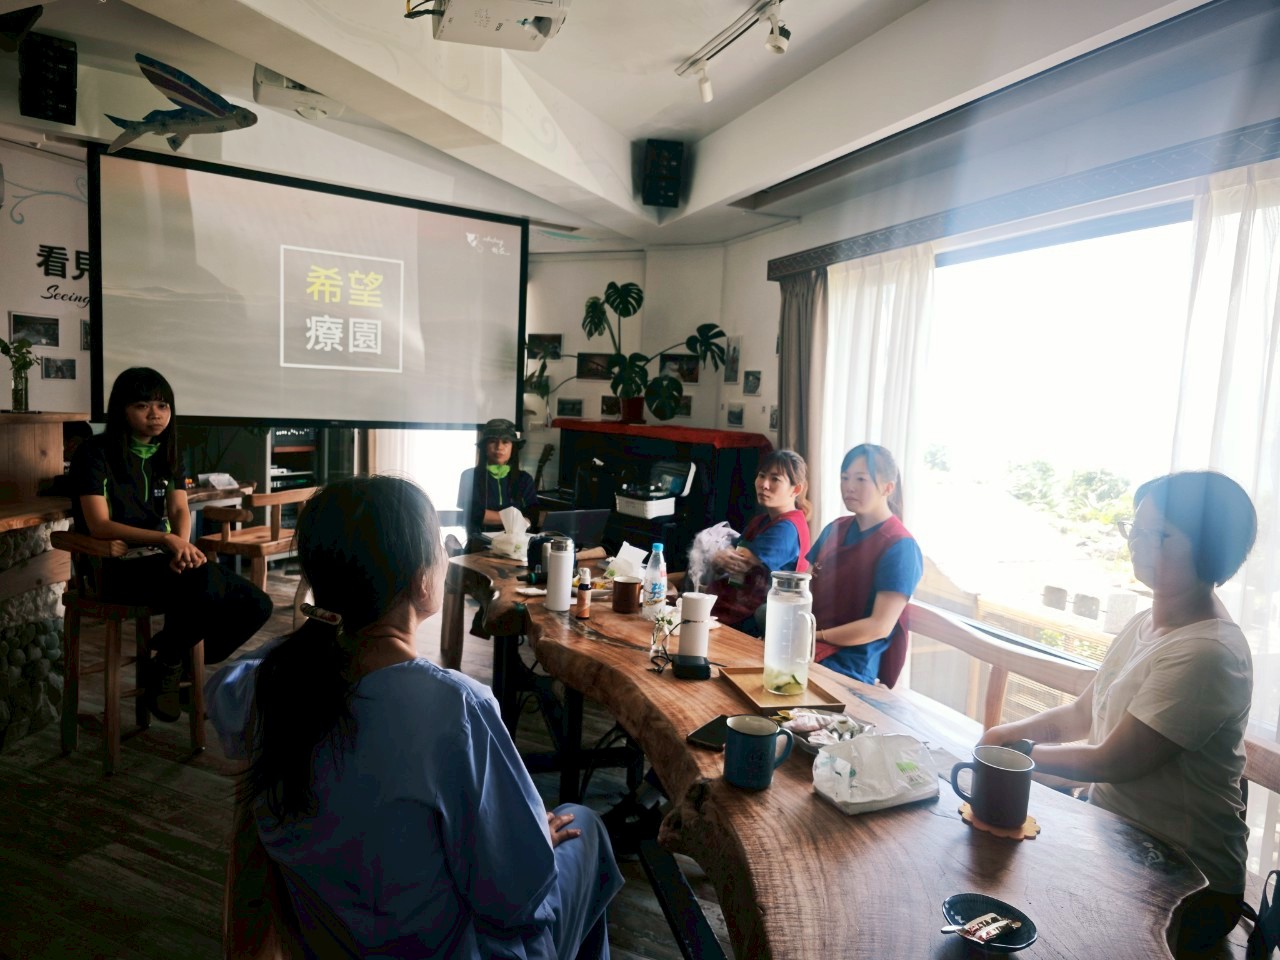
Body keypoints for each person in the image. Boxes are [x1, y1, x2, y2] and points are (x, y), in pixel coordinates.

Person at [206, 475, 623, 959]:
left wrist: (318, 621)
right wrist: (534, 844)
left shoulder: (268, 684)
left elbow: (230, 683)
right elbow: (516, 900)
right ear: (423, 580)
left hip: (334, 942)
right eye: (441, 546)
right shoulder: (456, 708)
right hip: (453, 950)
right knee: (584, 828)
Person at [979, 471, 1256, 955]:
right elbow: (1082, 714)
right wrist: (1005, 733)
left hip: (1189, 878)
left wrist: (1017, 755)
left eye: (1159, 534)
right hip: (1118, 842)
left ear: (1210, 549)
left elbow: (1114, 760)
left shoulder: (1209, 651)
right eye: (1135, 528)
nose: (1137, 542)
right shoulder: (1146, 622)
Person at [69, 367, 272, 721]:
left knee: (257, 604)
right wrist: (167, 539)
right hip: (115, 567)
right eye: (142, 406)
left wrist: (180, 545)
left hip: (162, 561)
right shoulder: (94, 453)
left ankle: (172, 661)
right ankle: (169, 665)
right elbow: (99, 525)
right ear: (121, 410)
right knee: (205, 584)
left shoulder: (167, 451)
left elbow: (179, 508)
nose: (155, 415)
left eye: (162, 406)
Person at [807, 443, 923, 686]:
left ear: (888, 488)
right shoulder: (835, 528)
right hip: (807, 645)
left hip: (850, 663)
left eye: (861, 479)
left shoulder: (900, 546)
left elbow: (879, 626)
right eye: (844, 478)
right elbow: (804, 584)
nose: (849, 487)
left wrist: (814, 636)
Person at [700, 449, 812, 635]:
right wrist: (718, 557)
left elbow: (734, 562)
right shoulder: (761, 520)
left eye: (775, 479)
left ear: (796, 489)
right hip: (737, 602)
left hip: (756, 616)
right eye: (761, 475)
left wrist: (718, 556)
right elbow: (724, 559)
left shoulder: (787, 529)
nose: (764, 485)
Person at [457, 417, 539, 540]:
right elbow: (475, 514)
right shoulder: (469, 476)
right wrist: (516, 519)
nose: (499, 447)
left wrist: (492, 516)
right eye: (493, 441)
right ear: (484, 447)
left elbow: (533, 515)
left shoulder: (525, 479)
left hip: (516, 543)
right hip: (479, 544)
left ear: (513, 447)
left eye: (505, 442)